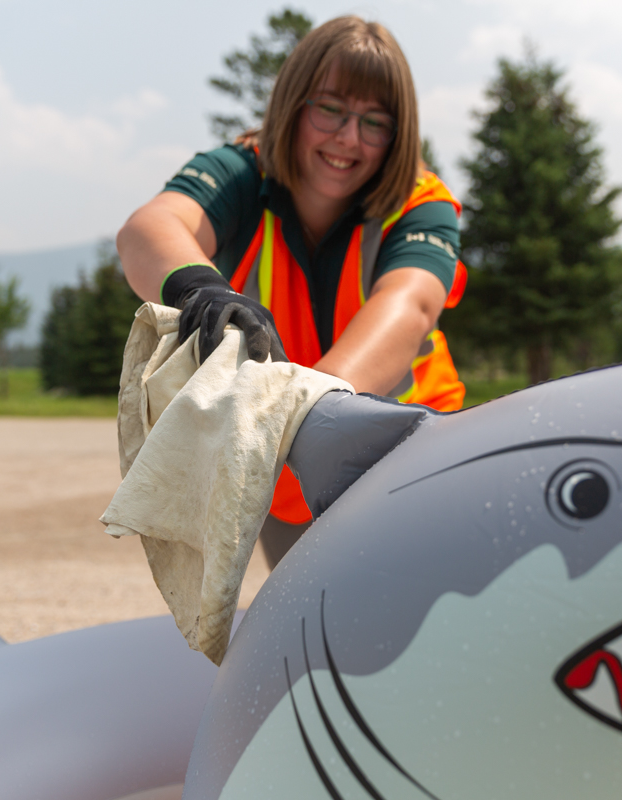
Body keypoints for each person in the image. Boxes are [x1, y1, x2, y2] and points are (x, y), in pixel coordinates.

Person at [117, 15, 465, 565]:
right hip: (284, 470)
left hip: (411, 447)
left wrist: (307, 405)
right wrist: (201, 290)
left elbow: (410, 304)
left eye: (376, 122)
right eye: (330, 109)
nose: (349, 139)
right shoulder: (240, 172)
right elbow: (148, 228)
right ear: (293, 104)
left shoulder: (422, 201)